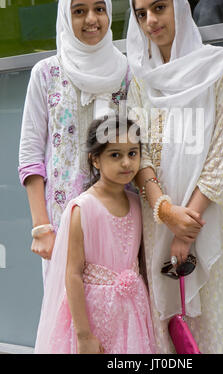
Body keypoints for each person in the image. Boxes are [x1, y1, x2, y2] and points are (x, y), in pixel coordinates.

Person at [126, 0, 223, 354]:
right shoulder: (140, 79)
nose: (151, 21)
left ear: (179, 9)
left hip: (212, 215)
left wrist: (188, 227)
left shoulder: (221, 67)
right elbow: (139, 154)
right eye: (141, 14)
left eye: (159, 8)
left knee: (220, 325)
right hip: (162, 220)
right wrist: (165, 211)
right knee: (174, 329)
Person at [18, 0, 128, 273]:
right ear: (66, 17)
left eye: (99, 9)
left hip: (119, 214)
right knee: (68, 313)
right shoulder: (47, 73)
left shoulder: (127, 72)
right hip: (62, 219)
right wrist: (41, 226)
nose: (91, 19)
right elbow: (30, 154)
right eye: (79, 11)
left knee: (115, 306)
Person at [34, 115, 156, 354]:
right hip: (93, 313)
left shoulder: (136, 204)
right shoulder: (83, 209)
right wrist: (84, 335)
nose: (126, 163)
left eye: (132, 153)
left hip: (130, 314)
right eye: (115, 155)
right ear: (95, 160)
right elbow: (73, 275)